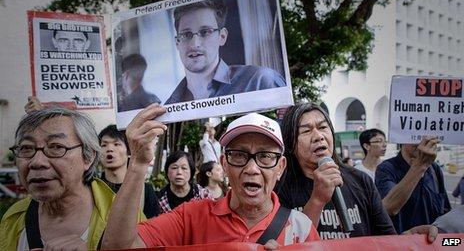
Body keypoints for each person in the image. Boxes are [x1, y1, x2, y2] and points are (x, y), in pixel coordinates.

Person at [101, 106, 319, 249]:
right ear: (224, 164)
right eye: (240, 155)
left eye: (265, 156)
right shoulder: (190, 218)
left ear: (280, 167)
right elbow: (118, 247)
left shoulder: (301, 228)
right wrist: (138, 164)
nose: (252, 168)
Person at [276, 103, 396, 239]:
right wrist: (317, 200)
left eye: (322, 127)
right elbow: (288, 244)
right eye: (306, 131)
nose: (318, 136)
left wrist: (413, 236)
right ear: (291, 144)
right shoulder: (280, 188)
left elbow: (388, 238)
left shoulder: (361, 180)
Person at [1, 107, 112, 250]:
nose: (37, 162)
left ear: (88, 156)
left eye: (56, 147)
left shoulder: (122, 216)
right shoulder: (14, 217)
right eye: (26, 148)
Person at [165, 0, 286, 104]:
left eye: (205, 32)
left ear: (222, 37)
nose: (195, 44)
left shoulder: (261, 80)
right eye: (187, 34)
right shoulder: (168, 106)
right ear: (177, 43)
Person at [376, 138, 451, 233]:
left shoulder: (434, 168)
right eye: (416, 137)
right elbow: (389, 208)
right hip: (402, 243)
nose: (422, 142)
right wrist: (420, 166)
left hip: (432, 241)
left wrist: (450, 242)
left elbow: (445, 210)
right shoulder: (386, 168)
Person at [98, 124, 161, 218]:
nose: (109, 149)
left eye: (116, 144)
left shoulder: (145, 192)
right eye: (104, 145)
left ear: (129, 151)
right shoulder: (92, 190)